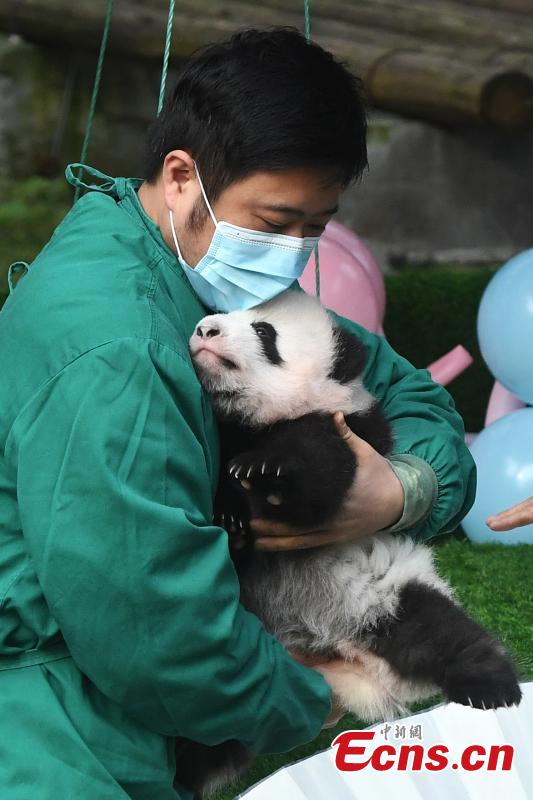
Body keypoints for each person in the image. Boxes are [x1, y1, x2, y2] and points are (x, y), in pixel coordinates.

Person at [0, 26, 476, 800]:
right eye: (276, 222)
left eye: (315, 227)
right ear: (180, 177)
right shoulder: (118, 352)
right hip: (66, 740)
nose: (292, 253)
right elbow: (155, 636)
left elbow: (411, 393)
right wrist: (312, 695)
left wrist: (399, 491)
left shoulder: (205, 272)